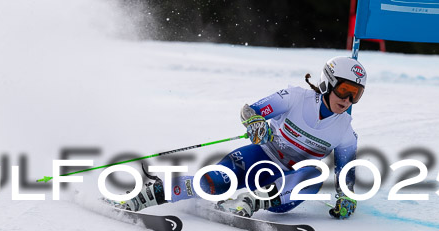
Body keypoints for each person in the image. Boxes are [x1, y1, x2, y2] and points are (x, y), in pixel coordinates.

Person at [110, 56, 366, 219]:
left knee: (315, 173)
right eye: (344, 90)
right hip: (260, 157)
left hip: (288, 185)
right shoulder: (295, 97)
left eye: (356, 94)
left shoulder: (345, 132)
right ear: (327, 83)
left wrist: (346, 198)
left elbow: (346, 177)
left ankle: (252, 201)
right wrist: (256, 124)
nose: (347, 100)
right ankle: (151, 193)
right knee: (214, 183)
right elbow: (250, 111)